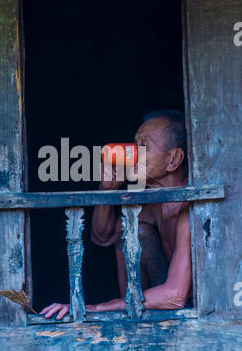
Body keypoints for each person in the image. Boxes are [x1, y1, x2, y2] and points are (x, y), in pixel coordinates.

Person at [40, 110, 192, 320]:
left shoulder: (191, 208)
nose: (131, 154)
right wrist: (107, 189)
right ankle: (134, 311)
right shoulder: (156, 202)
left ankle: (129, 305)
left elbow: (175, 295)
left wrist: (99, 307)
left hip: (196, 309)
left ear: (173, 159)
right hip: (154, 302)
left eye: (143, 146)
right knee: (130, 232)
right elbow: (104, 237)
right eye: (134, 144)